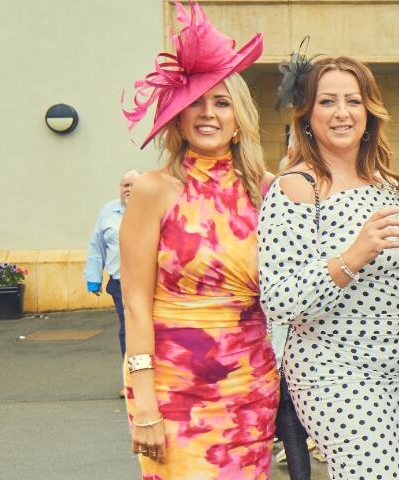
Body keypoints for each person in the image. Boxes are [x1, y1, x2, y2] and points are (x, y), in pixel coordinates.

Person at [117, 2, 276, 475]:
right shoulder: (153, 190)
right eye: (197, 103)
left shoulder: (266, 190)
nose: (209, 114)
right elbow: (134, 303)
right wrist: (143, 399)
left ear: (239, 116)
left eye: (222, 102)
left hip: (251, 385)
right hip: (172, 388)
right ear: (178, 117)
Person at [259, 55, 399, 479]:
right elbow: (279, 300)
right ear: (307, 116)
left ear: (369, 112)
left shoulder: (388, 186)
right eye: (327, 101)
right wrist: (353, 255)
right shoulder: (296, 187)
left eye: (353, 101)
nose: (341, 113)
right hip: (337, 373)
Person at [87, 170, 141, 357]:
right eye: (126, 185)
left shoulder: (152, 209)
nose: (129, 189)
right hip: (120, 283)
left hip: (150, 283)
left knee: (149, 328)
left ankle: (153, 376)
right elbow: (97, 245)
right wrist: (94, 278)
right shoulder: (108, 211)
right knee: (128, 327)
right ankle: (131, 378)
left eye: (134, 185)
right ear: (120, 188)